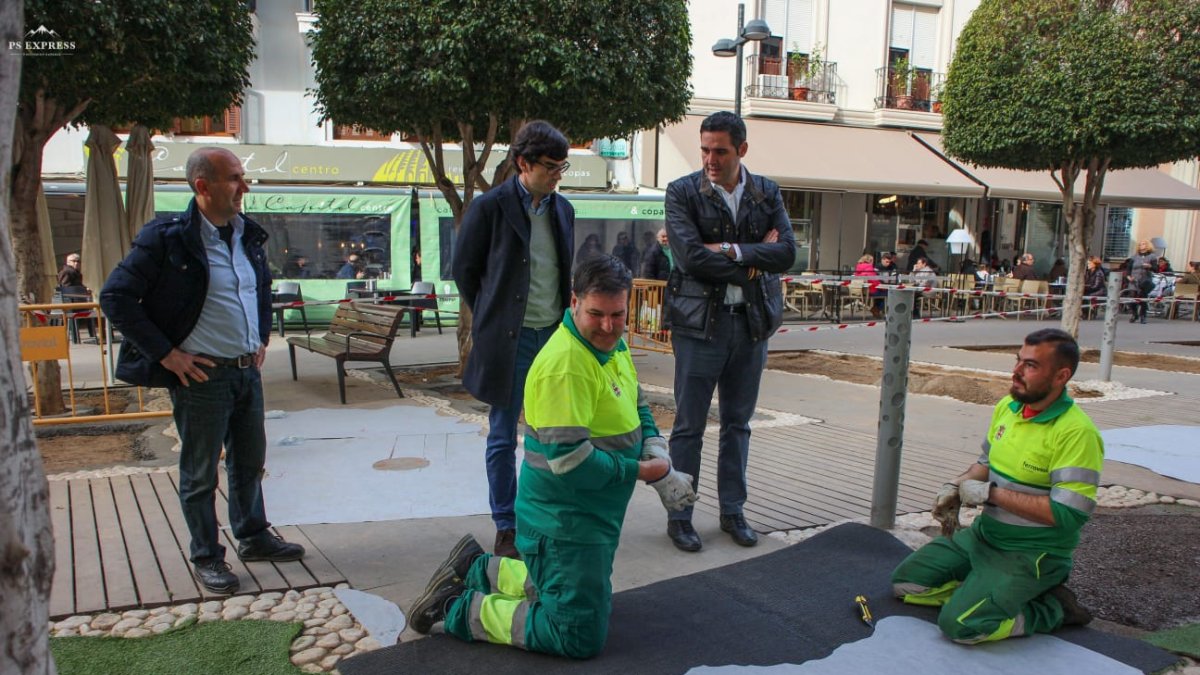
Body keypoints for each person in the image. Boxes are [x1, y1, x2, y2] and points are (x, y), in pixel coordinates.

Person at [407, 256, 696, 657]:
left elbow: (638, 402)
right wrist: (648, 471)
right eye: (596, 314)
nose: (609, 327)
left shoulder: (612, 344)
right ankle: (457, 607)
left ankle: (479, 568)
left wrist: (655, 448)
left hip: (588, 520)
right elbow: (572, 462)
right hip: (565, 525)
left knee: (568, 592)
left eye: (617, 314)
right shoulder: (565, 367)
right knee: (576, 636)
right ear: (574, 301)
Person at [100, 147, 304, 595]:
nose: (244, 187)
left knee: (250, 462)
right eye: (234, 178)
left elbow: (260, 291)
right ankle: (207, 556)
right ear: (202, 186)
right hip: (201, 378)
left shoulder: (246, 235)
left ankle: (252, 536)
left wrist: (261, 336)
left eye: (243, 177)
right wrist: (167, 355)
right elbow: (115, 298)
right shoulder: (167, 238)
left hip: (245, 372)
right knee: (200, 473)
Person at [892, 328, 1102, 644]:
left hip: (1031, 553)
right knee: (906, 584)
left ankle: (1053, 608)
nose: (1016, 372)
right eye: (1018, 361)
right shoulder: (1008, 407)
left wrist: (991, 494)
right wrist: (957, 485)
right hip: (983, 537)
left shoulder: (1076, 433)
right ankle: (986, 590)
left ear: (1061, 376)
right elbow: (985, 464)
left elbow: (1068, 515)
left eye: (1030, 366)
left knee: (962, 627)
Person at [662, 110, 796, 552]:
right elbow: (691, 259)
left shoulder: (766, 192)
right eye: (704, 149)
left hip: (751, 327)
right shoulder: (682, 192)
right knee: (688, 427)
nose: (709, 159)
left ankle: (732, 511)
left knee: (738, 425)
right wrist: (755, 265)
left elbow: (789, 253)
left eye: (719, 150)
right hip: (699, 326)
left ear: (741, 150)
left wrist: (733, 250)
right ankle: (680, 515)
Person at [452, 120, 574, 559]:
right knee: (503, 435)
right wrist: (492, 314)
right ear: (523, 163)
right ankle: (506, 525)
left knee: (556, 432)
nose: (558, 174)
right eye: (551, 166)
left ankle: (545, 514)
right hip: (511, 340)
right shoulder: (489, 208)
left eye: (563, 166)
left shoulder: (563, 210)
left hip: (555, 337)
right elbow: (464, 270)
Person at [1124, 240, 1157, 324]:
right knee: (1132, 297)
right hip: (1134, 279)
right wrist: (1128, 276)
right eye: (1140, 244)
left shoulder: (1152, 256)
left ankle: (1143, 315)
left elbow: (1156, 269)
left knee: (1142, 298)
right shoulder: (1134, 257)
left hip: (1145, 280)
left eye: (1143, 244)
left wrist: (1150, 266)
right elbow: (1128, 268)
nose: (1141, 246)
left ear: (1148, 246)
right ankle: (1134, 314)